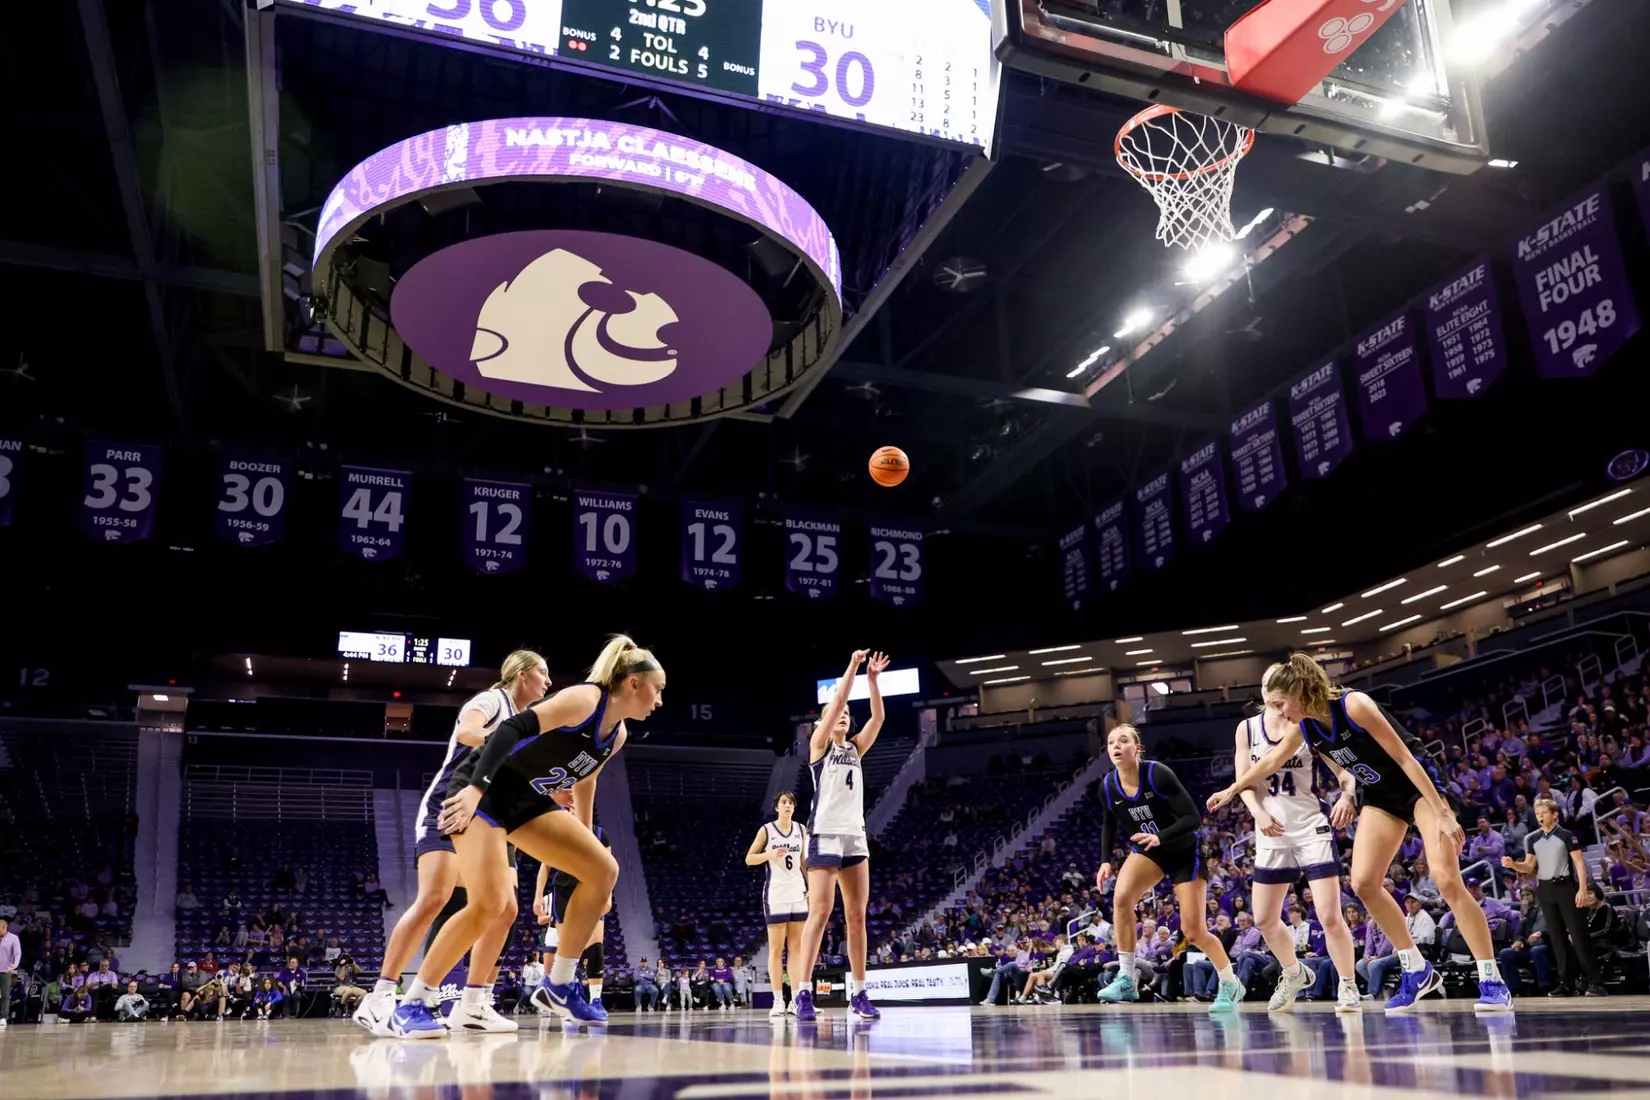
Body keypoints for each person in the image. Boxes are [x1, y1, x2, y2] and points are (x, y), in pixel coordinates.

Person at [1209, 653, 1512, 1014]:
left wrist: (1443, 810)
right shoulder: (1305, 725)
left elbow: (1404, 758)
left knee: (1446, 879)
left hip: (1419, 788)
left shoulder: (1354, 705)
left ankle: (1492, 980)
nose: (1277, 711)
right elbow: (1271, 762)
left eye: (1279, 703)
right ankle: (1416, 969)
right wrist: (1232, 790)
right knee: (1364, 883)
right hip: (1382, 796)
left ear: (1299, 691)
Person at [391, 635, 662, 1036]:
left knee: (603, 869)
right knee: (489, 905)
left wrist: (582, 839)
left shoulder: (617, 733)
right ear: (633, 683)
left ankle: (560, 984)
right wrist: (476, 787)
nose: (660, 701)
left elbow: (586, 779)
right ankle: (412, 1002)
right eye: (658, 690)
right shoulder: (585, 699)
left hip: (528, 797)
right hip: (484, 788)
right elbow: (511, 729)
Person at [355, 649, 550, 1037]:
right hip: (453, 801)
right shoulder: (493, 700)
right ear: (521, 674)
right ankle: (379, 995)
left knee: (506, 909)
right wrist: (506, 743)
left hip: (494, 815)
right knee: (434, 898)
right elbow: (467, 732)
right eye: (543, 673)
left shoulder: (530, 723)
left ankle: (474, 1002)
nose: (548, 681)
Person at [1094, 724, 1245, 1011]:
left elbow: (1192, 818)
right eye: (1111, 741)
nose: (1115, 746)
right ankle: (1127, 978)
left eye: (1123, 741)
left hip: (1184, 851)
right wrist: (1105, 861)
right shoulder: (1107, 785)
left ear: (1136, 748)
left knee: (1194, 932)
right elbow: (1108, 822)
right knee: (1121, 899)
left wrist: (1159, 836)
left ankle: (1230, 983)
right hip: (1150, 851)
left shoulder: (1157, 773)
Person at [1230, 706, 1362, 1012]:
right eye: (1271, 695)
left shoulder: (1306, 725)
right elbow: (1244, 782)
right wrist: (1259, 813)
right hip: (1270, 829)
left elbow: (1345, 772)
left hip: (1309, 826)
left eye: (1282, 696)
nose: (1278, 703)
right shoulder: (1247, 729)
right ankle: (1294, 973)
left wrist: (1346, 796)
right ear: (1263, 694)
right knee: (1263, 919)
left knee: (1330, 915)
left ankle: (1348, 982)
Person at [789, 650, 890, 1022]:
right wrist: (853, 669)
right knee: (819, 912)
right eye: (839, 712)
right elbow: (838, 702)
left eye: (848, 713)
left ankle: (859, 993)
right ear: (827, 721)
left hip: (854, 837)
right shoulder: (819, 746)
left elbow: (878, 717)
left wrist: (874, 681)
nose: (844, 715)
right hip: (824, 835)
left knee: (857, 917)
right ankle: (802, 992)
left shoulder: (856, 748)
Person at [1501, 798, 1607, 996]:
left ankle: (1595, 982)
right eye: (1538, 813)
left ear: (1555, 814)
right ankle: (1566, 983)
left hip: (1565, 886)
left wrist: (1582, 889)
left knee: (1578, 936)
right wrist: (1513, 865)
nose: (1540, 816)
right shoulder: (1534, 839)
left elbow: (1579, 864)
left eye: (1544, 813)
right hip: (1545, 888)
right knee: (1557, 939)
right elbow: (1529, 867)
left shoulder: (1566, 835)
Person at [529, 798, 613, 1020]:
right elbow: (545, 866)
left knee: (595, 945)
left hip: (591, 888)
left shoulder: (600, 834)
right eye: (569, 807)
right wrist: (538, 895)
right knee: (569, 949)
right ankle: (568, 994)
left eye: (576, 806)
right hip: (564, 888)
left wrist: (608, 894)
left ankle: (596, 1000)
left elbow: (608, 863)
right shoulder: (559, 832)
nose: (572, 809)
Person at [745, 791, 809, 1017]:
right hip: (776, 893)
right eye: (784, 802)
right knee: (775, 949)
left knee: (797, 949)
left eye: (791, 802)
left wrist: (811, 885)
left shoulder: (801, 829)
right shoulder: (767, 830)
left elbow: (804, 861)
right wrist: (769, 854)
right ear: (777, 807)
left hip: (797, 892)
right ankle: (778, 1000)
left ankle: (795, 1000)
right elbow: (749, 858)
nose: (788, 805)